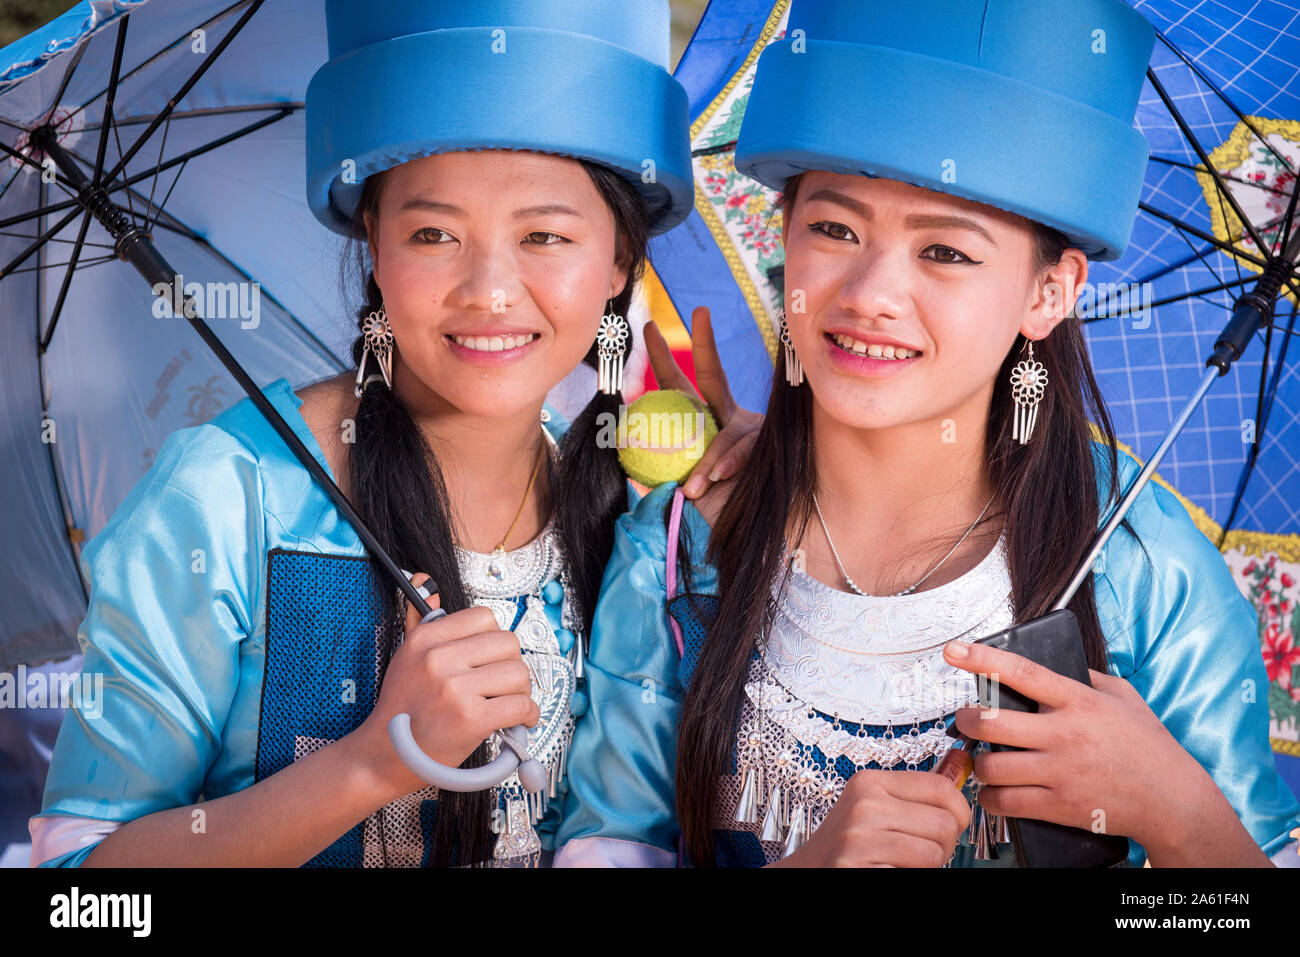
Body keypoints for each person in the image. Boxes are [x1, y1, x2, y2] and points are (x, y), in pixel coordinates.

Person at [554, 0, 1300, 867]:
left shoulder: (1144, 570)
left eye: (945, 251)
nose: (871, 291)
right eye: (834, 228)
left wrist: (1180, 816)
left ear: (1048, 293)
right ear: (783, 235)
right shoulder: (678, 554)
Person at [28, 0, 752, 868]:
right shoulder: (227, 498)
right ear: (372, 238)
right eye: (434, 232)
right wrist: (373, 760)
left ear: (620, 260)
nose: (489, 289)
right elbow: (81, 894)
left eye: (546, 235)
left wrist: (763, 514)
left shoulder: (640, 523)